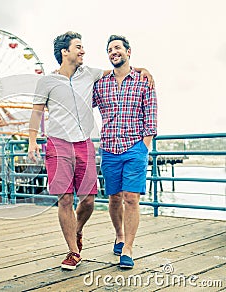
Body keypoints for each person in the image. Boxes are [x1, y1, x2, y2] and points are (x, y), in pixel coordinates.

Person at [28, 31, 153, 270]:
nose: (83, 51)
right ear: (65, 52)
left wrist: (143, 69)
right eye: (78, 47)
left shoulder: (90, 74)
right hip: (57, 143)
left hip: (84, 143)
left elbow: (120, 69)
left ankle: (77, 230)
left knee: (88, 200)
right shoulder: (46, 81)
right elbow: (36, 112)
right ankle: (73, 252)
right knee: (64, 198)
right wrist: (32, 140)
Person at [92, 35, 158, 269]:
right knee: (114, 198)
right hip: (109, 148)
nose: (113, 52)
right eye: (109, 50)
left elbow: (151, 114)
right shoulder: (100, 84)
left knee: (131, 199)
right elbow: (79, 103)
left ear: (128, 51)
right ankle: (119, 235)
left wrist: (144, 146)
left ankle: (128, 249)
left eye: (117, 48)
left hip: (134, 148)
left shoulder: (143, 80)